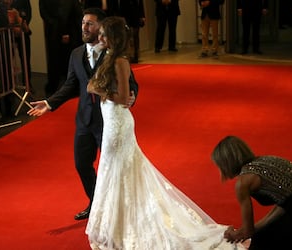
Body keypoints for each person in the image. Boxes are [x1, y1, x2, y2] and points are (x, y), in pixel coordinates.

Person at [84, 16, 247, 250]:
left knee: (119, 169)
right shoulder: (108, 56)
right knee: (113, 169)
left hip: (118, 123)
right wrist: (98, 86)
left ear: (114, 37)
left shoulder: (120, 61)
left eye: (103, 35)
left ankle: (125, 224)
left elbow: (122, 97)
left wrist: (99, 90)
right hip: (110, 121)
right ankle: (115, 222)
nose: (99, 38)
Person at [27, 8, 139, 221]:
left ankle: (120, 210)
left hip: (110, 120)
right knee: (81, 164)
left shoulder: (113, 53)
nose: (84, 28)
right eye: (83, 23)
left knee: (114, 168)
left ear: (101, 27)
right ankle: (97, 204)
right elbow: (70, 85)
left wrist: (132, 96)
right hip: (85, 120)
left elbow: (131, 84)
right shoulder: (76, 54)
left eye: (90, 24)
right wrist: (49, 103)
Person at [211, 135, 292, 250]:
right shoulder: (269, 160)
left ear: (226, 163)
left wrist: (234, 234)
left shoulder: (243, 182)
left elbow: (247, 232)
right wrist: (255, 229)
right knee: (264, 236)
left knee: (262, 243)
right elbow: (285, 202)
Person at [39, 0, 83, 97]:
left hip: (59, 33)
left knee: (61, 62)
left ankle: (58, 89)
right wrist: (64, 32)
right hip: (60, 34)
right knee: (59, 62)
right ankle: (61, 89)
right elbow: (65, 13)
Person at [11, 0, 32, 92]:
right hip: (9, 34)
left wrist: (23, 26)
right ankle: (11, 85)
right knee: (8, 61)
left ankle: (27, 84)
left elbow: (28, 14)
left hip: (23, 32)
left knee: (25, 60)